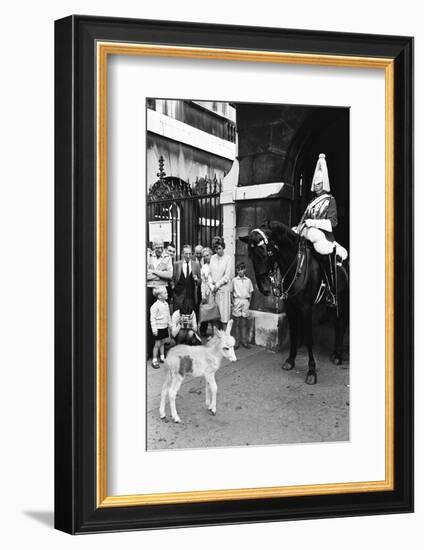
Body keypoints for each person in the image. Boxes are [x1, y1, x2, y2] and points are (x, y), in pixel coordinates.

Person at [294, 153, 347, 308]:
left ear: (323, 184)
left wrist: (315, 223)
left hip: (325, 237)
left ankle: (331, 291)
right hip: (310, 236)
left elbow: (333, 223)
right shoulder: (311, 202)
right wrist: (299, 227)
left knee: (326, 255)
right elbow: (304, 219)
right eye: (315, 184)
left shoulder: (330, 200)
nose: (315, 186)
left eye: (318, 184)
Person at [146, 240, 172, 356]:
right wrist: (161, 274)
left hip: (162, 290)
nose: (160, 250)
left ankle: (161, 350)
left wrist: (153, 272)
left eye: (161, 247)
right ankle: (149, 349)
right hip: (149, 289)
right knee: (149, 318)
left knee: (162, 318)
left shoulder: (167, 257)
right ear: (153, 247)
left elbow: (169, 275)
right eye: (157, 247)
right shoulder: (147, 256)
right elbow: (145, 274)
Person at [209, 236, 232, 330]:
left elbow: (227, 276)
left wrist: (217, 285)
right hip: (213, 290)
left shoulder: (228, 258)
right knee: (214, 316)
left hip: (223, 290)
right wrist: (211, 285)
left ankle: (225, 339)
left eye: (219, 248)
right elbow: (209, 273)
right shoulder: (212, 258)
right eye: (215, 248)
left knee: (224, 316)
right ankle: (215, 338)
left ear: (223, 247)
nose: (217, 251)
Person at [172, 245, 201, 312]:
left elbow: (200, 281)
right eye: (186, 254)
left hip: (191, 297)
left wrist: (197, 280)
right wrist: (173, 288)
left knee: (191, 316)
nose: (188, 256)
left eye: (190, 254)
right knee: (178, 316)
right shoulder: (177, 264)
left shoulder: (196, 265)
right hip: (178, 296)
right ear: (182, 254)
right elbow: (173, 279)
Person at [231, 262, 253, 349]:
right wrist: (233, 302)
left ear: (245, 270)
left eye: (242, 269)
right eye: (238, 269)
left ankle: (244, 341)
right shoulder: (234, 280)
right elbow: (231, 292)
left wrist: (248, 302)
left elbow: (251, 292)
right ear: (236, 270)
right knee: (236, 323)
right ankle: (237, 341)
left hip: (245, 301)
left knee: (244, 322)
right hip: (237, 301)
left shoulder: (248, 280)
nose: (240, 271)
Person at [149, 287, 172, 368]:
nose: (167, 294)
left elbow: (168, 315)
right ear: (159, 296)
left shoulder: (166, 304)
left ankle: (162, 357)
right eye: (165, 293)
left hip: (164, 327)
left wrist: (170, 323)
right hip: (158, 328)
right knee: (157, 344)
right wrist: (154, 329)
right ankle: (154, 360)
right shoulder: (155, 306)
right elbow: (152, 318)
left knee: (163, 343)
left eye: (167, 292)